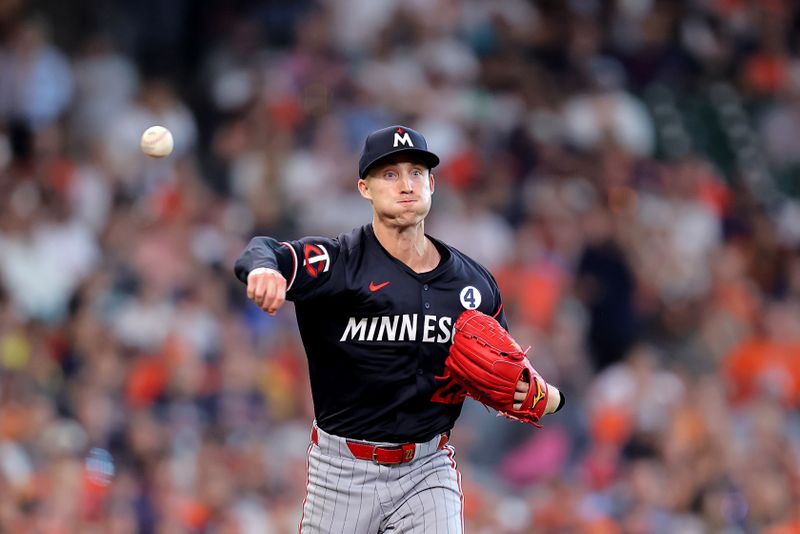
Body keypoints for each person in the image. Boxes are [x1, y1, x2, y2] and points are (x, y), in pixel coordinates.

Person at [234, 125, 563, 533]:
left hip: (427, 469)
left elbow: (506, 374)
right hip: (342, 472)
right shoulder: (339, 263)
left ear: (432, 183)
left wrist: (550, 398)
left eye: (416, 172)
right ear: (364, 188)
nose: (406, 184)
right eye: (389, 174)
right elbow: (262, 249)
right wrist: (265, 270)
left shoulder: (472, 284)